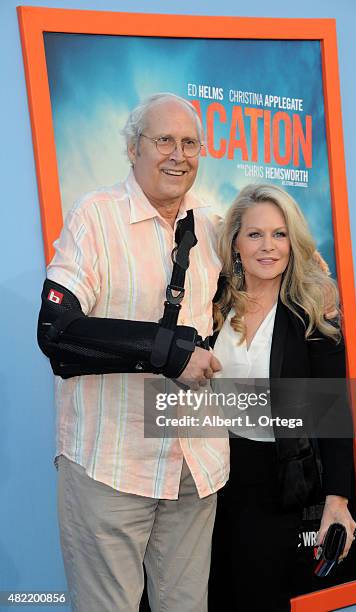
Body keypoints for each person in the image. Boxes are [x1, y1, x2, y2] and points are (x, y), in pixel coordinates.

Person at [37, 93, 229, 612]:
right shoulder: (95, 217)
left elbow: (258, 286)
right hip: (111, 466)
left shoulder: (212, 225)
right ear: (132, 147)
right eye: (163, 139)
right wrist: (167, 352)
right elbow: (56, 331)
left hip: (194, 463)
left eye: (190, 143)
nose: (178, 154)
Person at [208, 183, 356, 611]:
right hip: (203, 479)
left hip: (275, 482)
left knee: (260, 597)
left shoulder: (313, 312)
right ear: (235, 242)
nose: (268, 246)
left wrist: (338, 501)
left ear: (294, 241)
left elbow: (333, 412)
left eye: (280, 234)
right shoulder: (210, 302)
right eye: (254, 234)